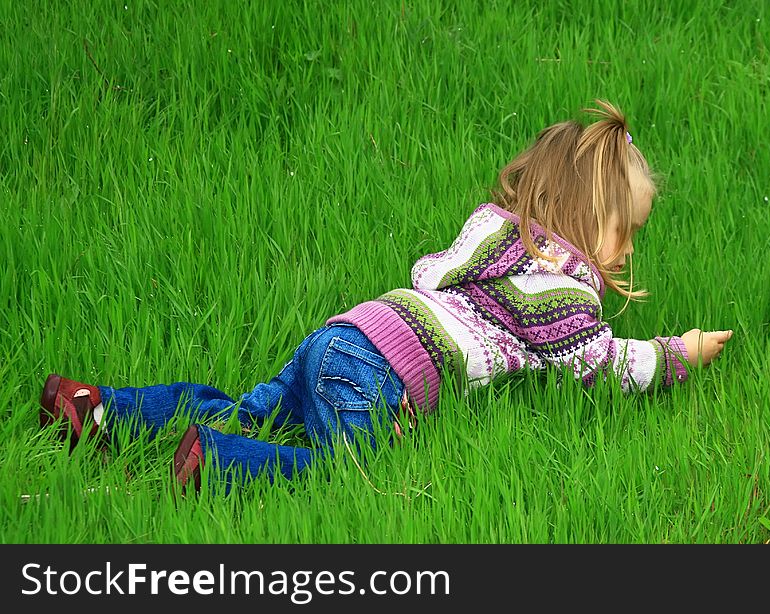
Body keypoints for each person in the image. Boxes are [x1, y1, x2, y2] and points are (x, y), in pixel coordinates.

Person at [39, 100, 733, 495]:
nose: (630, 251)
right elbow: (601, 363)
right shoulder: (559, 297)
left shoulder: (493, 241)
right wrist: (678, 355)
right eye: (627, 232)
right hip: (377, 374)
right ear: (585, 219)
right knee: (344, 475)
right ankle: (216, 465)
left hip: (342, 333)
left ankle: (100, 409)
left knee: (251, 409)